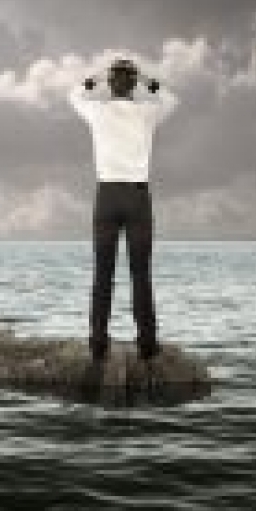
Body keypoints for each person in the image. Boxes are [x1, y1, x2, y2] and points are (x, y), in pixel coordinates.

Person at [69, 57, 178, 364]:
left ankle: (98, 344)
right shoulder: (147, 112)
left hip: (106, 195)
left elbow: (74, 94)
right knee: (140, 274)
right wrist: (144, 78)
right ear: (132, 85)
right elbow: (170, 98)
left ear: (111, 84)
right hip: (137, 196)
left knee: (102, 274)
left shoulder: (97, 111)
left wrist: (98, 76)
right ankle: (147, 345)